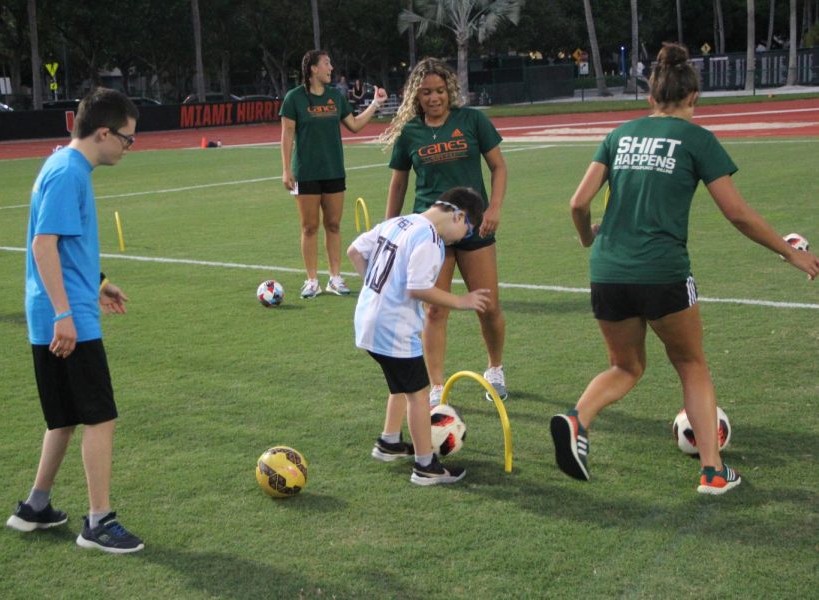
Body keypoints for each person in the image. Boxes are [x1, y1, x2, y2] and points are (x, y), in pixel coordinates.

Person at [550, 43, 819, 495]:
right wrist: (790, 253)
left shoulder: (620, 134)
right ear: (694, 96)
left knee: (626, 366)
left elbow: (578, 203)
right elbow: (738, 214)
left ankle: (577, 420)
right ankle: (713, 472)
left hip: (608, 268)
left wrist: (587, 238)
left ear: (650, 98)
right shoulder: (698, 139)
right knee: (691, 363)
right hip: (663, 270)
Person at [6, 87, 145, 552]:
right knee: (99, 417)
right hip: (66, 316)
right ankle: (98, 522)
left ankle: (35, 507)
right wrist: (66, 312)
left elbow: (63, 246)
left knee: (63, 418)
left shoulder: (59, 164)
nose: (128, 148)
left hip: (54, 308)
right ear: (102, 132)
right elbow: (42, 245)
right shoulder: (69, 172)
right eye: (127, 140)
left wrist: (98, 281)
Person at [379, 57, 508, 406]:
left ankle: (495, 369)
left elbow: (498, 166)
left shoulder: (472, 121)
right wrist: (390, 230)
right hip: (430, 232)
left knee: (488, 305)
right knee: (435, 310)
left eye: (439, 91)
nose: (434, 98)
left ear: (449, 90)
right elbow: (398, 184)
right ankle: (436, 386)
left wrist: (494, 208)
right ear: (415, 96)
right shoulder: (410, 133)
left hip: (474, 226)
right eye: (425, 93)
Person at [348, 187, 491, 485]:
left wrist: (374, 288)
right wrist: (461, 301)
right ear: (459, 215)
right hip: (393, 326)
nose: (462, 238)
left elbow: (354, 251)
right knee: (418, 394)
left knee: (401, 382)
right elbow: (418, 288)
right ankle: (425, 466)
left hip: (367, 319)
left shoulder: (398, 223)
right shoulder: (430, 238)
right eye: (466, 230)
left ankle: (389, 442)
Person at [281, 50, 388, 298]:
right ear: (313, 69)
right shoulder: (294, 98)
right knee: (309, 227)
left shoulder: (335, 97)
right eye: (327, 63)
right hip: (305, 173)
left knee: (334, 225)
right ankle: (311, 280)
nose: (331, 68)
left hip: (334, 171)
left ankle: (335, 278)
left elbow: (355, 125)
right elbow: (286, 135)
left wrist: (375, 104)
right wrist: (286, 169)